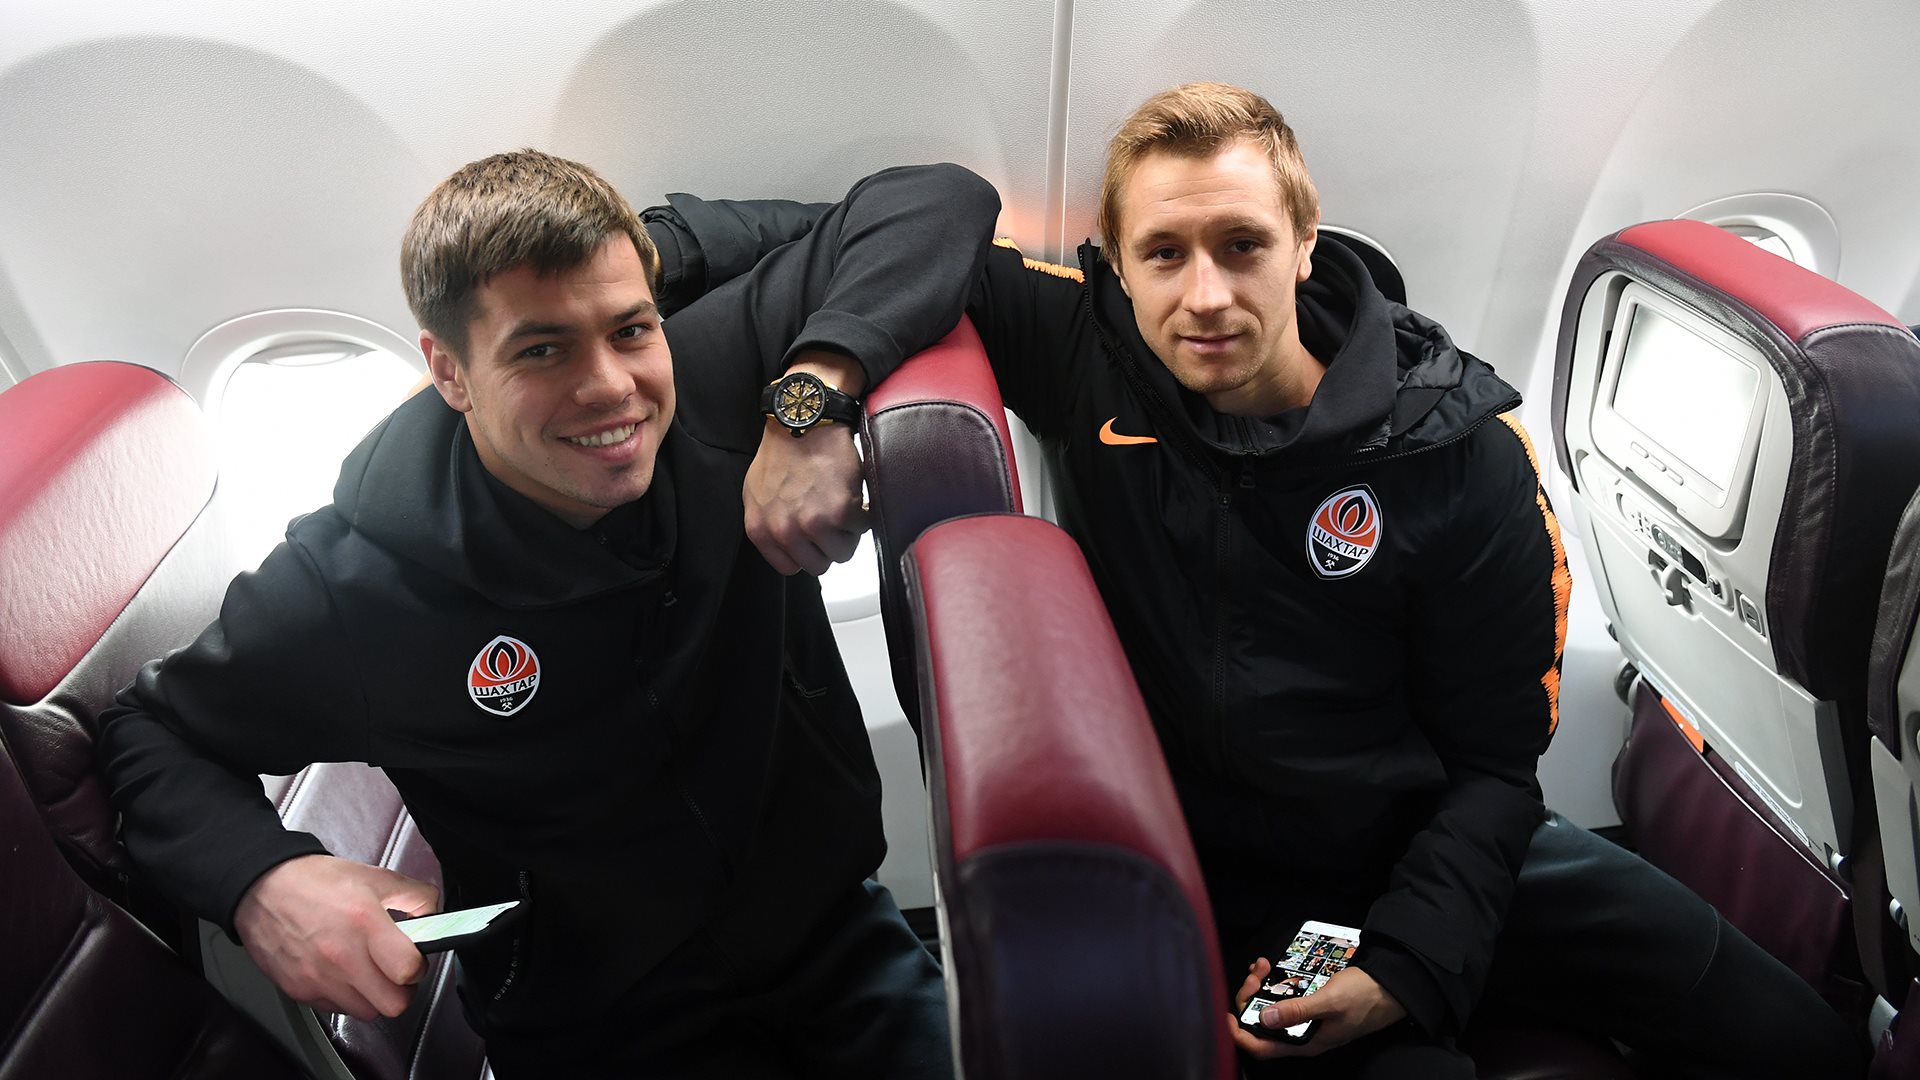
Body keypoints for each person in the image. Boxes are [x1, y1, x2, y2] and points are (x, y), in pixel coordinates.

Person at [680, 84, 1866, 1077]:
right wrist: (792, 378)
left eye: (1242, 245)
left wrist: (1412, 952)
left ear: (1304, 244)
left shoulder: (1459, 454)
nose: (1205, 295)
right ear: (1116, 266)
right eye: (1164, 254)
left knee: (1791, 1039)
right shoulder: (1088, 354)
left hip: (1444, 839)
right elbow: (912, 207)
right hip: (1262, 899)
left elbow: (1497, 768)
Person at [97, 149, 998, 1077]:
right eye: (541, 349)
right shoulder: (356, 584)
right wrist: (266, 880)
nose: (609, 385)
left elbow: (936, 199)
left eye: (630, 329)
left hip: (833, 946)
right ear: (450, 372)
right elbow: (149, 734)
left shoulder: (723, 386)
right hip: (601, 1030)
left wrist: (811, 402)